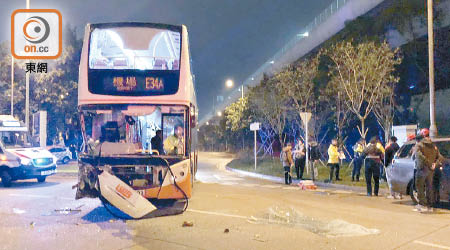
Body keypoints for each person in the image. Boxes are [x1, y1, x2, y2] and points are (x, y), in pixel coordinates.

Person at [413, 128, 441, 213]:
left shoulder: (419, 145)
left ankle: (422, 205)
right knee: (429, 187)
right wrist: (434, 165)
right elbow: (439, 157)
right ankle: (430, 205)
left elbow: (419, 156)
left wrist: (428, 163)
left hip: (422, 169)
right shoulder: (433, 145)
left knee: (420, 187)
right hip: (431, 170)